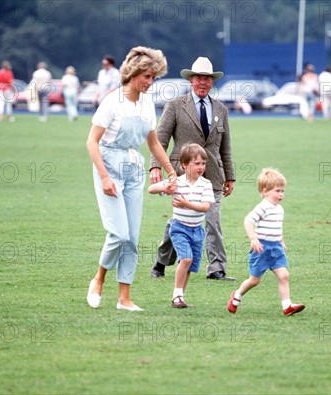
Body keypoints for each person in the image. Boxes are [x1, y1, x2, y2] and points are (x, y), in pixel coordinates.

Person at [85, 46, 176, 312]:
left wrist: (171, 172)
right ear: (132, 74)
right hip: (108, 167)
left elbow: (154, 142)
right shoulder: (112, 102)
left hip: (134, 169)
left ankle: (124, 298)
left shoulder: (147, 103)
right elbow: (92, 142)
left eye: (153, 77)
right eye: (146, 77)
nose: (150, 83)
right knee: (119, 233)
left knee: (132, 238)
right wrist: (104, 177)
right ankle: (99, 279)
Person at [148, 56, 236, 281]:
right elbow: (160, 139)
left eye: (207, 79)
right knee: (179, 222)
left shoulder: (221, 110)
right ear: (191, 80)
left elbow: (225, 147)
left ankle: (216, 268)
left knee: (213, 220)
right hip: (181, 174)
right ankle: (162, 260)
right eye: (199, 78)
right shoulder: (176, 106)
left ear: (212, 82)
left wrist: (230, 177)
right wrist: (155, 166)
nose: (203, 83)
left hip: (213, 175)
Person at [227, 168, 305, 316]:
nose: (281, 194)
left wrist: (281, 241)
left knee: (284, 275)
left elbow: (277, 227)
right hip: (261, 248)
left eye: (282, 191)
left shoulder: (279, 209)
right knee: (254, 281)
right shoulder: (262, 207)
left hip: (275, 248)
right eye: (277, 191)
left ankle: (287, 306)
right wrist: (253, 239)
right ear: (265, 191)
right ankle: (237, 296)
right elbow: (248, 221)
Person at [148, 143, 214, 308]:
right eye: (196, 163)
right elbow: (151, 189)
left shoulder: (206, 184)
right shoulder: (176, 182)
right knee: (185, 258)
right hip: (179, 228)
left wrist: (187, 203)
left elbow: (206, 207)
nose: (201, 167)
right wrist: (166, 187)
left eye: (203, 164)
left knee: (190, 265)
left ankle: (180, 297)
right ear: (184, 165)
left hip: (197, 230)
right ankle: (176, 295)